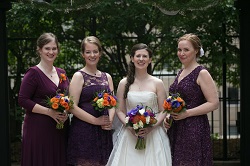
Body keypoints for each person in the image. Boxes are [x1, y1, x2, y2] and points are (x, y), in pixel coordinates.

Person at [106, 43, 172, 166]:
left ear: (150, 59)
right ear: (132, 58)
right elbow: (119, 110)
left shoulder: (157, 83)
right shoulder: (123, 83)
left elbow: (163, 110)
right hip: (130, 134)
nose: (141, 59)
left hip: (153, 134)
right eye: (138, 56)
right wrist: (129, 126)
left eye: (145, 56)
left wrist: (151, 127)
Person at [164, 33, 219, 166]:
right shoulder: (180, 72)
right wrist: (168, 116)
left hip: (194, 127)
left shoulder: (201, 73)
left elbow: (214, 103)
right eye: (179, 50)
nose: (181, 53)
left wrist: (187, 113)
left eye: (186, 50)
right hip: (176, 127)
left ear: (196, 51)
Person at [18, 32, 69, 166]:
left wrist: (66, 113)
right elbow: (23, 99)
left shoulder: (61, 73)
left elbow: (68, 98)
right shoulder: (33, 73)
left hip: (59, 129)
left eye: (54, 48)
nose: (51, 52)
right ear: (39, 50)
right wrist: (49, 112)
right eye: (47, 48)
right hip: (38, 129)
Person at [67, 36, 115, 166]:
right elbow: (72, 107)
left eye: (95, 51)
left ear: (100, 53)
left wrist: (109, 120)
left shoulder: (107, 77)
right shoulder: (78, 76)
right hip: (84, 130)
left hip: (103, 131)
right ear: (83, 54)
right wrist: (95, 121)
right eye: (88, 52)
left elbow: (112, 103)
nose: (92, 55)